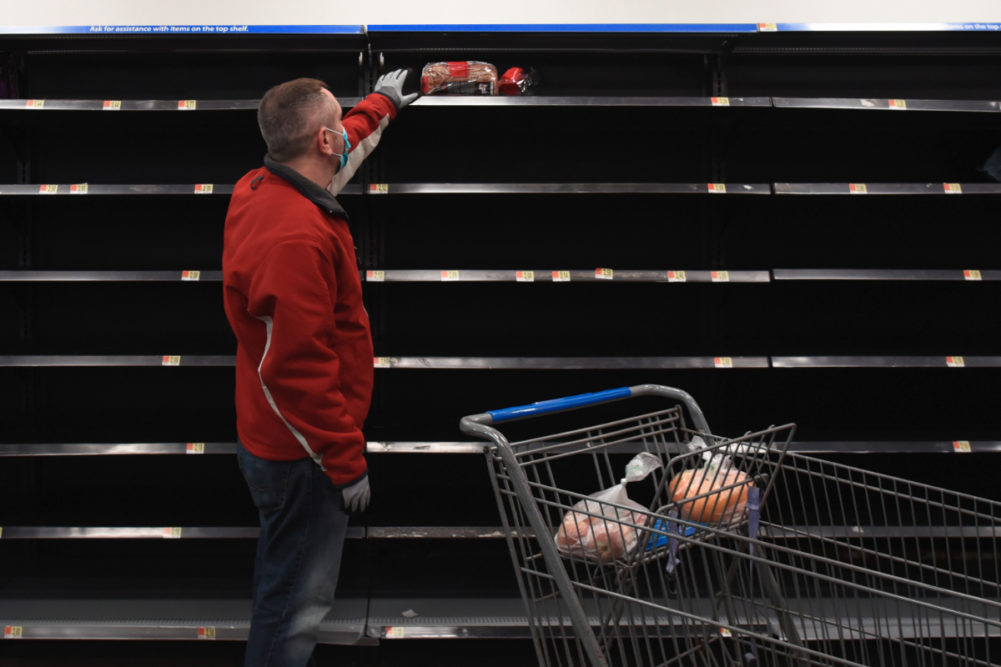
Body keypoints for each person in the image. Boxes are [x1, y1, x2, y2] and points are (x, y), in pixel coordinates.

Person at [222, 70, 417, 667]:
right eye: (338, 123)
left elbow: (343, 149)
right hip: (301, 457)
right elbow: (294, 370)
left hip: (277, 440)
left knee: (280, 584)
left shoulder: (259, 185)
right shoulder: (297, 239)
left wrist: (380, 104)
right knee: (295, 605)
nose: (343, 134)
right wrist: (343, 459)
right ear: (323, 142)